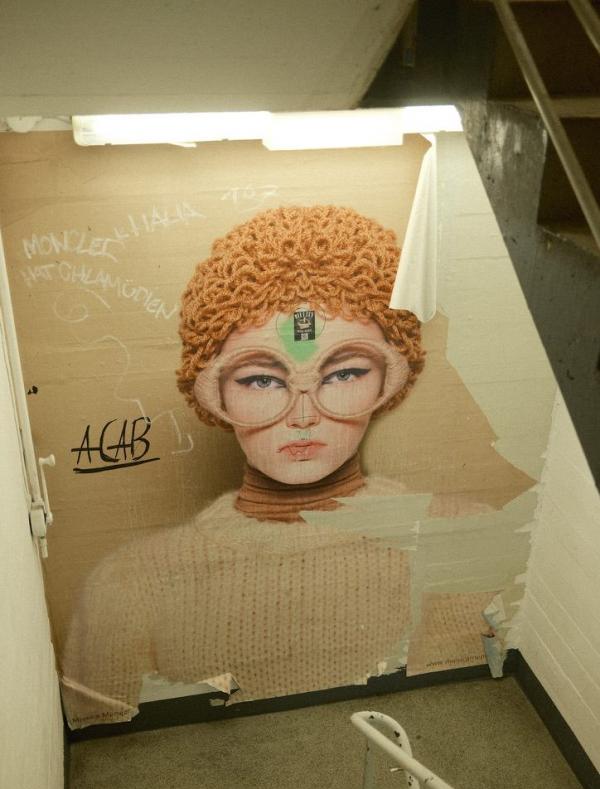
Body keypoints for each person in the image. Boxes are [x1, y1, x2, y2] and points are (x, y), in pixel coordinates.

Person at [59, 206, 486, 729]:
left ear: (390, 380)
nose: (303, 417)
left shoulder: (462, 539)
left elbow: (466, 723)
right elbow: (113, 757)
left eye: (344, 373)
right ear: (214, 392)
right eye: (261, 380)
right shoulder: (127, 587)